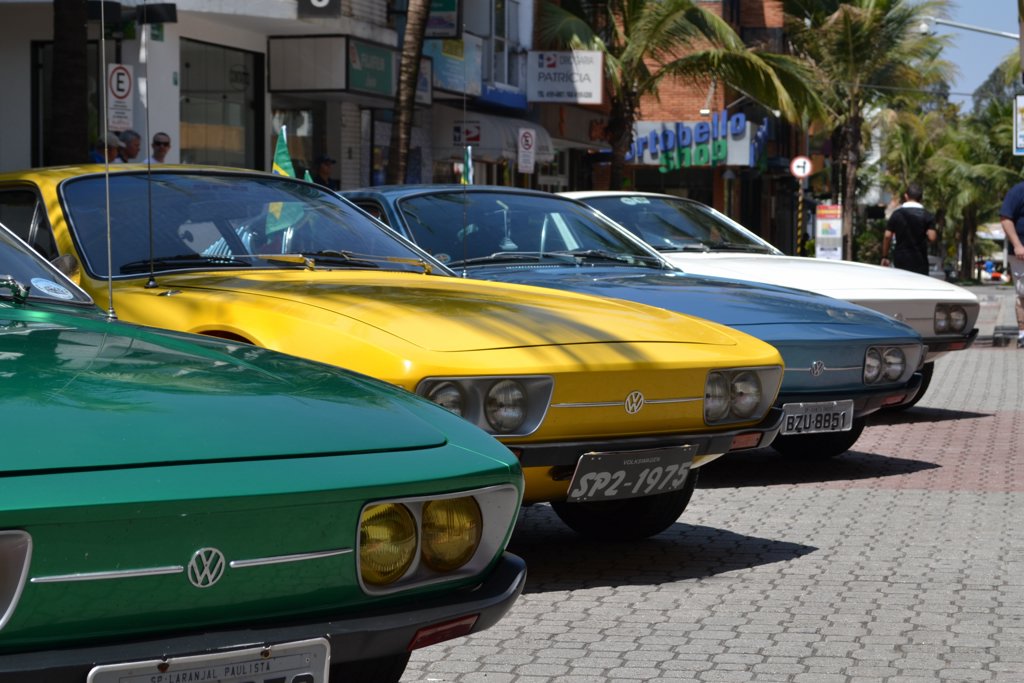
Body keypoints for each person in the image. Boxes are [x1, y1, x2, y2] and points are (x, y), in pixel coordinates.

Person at [881, 183, 937, 275]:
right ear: (921, 198)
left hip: (901, 259)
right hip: (920, 260)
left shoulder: (897, 214)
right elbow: (932, 237)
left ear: (906, 196)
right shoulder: (927, 215)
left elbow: (887, 236)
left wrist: (885, 256)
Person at [999, 179, 1024, 348]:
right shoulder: (1018, 191)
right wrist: (1017, 245)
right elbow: (1005, 218)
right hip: (1021, 253)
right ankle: (1022, 334)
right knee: (1023, 295)